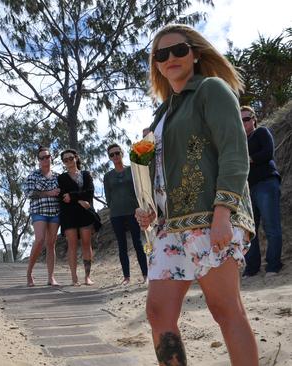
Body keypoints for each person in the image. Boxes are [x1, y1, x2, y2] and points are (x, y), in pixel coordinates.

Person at [136, 24, 258, 365]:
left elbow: (234, 152)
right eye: (162, 54)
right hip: (168, 228)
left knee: (226, 310)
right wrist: (148, 209)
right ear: (156, 64)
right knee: (158, 313)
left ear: (195, 53)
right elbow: (157, 174)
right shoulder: (160, 115)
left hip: (210, 217)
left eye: (179, 50)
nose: (170, 58)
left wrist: (223, 212)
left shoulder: (211, 90)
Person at [240, 105, 283, 278]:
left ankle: (273, 265)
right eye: (240, 119)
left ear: (253, 119)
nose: (244, 122)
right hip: (248, 189)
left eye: (247, 118)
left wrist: (248, 159)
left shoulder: (262, 132)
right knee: (250, 230)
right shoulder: (239, 140)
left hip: (266, 183)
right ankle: (252, 268)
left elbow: (268, 153)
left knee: (271, 226)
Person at [103, 144, 148, 285]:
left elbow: (140, 189)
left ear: (122, 153)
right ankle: (126, 277)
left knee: (138, 244)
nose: (115, 156)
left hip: (133, 212)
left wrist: (138, 206)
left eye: (117, 153)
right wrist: (114, 206)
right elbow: (108, 196)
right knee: (122, 246)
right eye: (112, 155)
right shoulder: (108, 176)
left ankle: (146, 275)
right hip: (116, 214)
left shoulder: (132, 171)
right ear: (110, 158)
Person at [57, 149, 96, 286]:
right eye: (65, 160)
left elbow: (90, 192)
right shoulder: (61, 178)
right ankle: (74, 278)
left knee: (86, 243)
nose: (68, 161)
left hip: (85, 214)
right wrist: (79, 199)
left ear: (76, 158)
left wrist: (72, 196)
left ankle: (87, 276)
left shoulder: (86, 175)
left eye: (70, 158)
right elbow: (63, 197)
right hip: (69, 215)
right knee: (72, 245)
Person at [23, 146, 60, 287]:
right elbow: (28, 193)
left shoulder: (57, 176)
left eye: (47, 156)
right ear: (38, 160)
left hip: (55, 212)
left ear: (51, 158)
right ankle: (29, 273)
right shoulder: (33, 176)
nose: (45, 159)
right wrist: (48, 193)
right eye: (42, 157)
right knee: (39, 240)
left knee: (51, 243)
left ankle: (51, 277)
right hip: (38, 211)